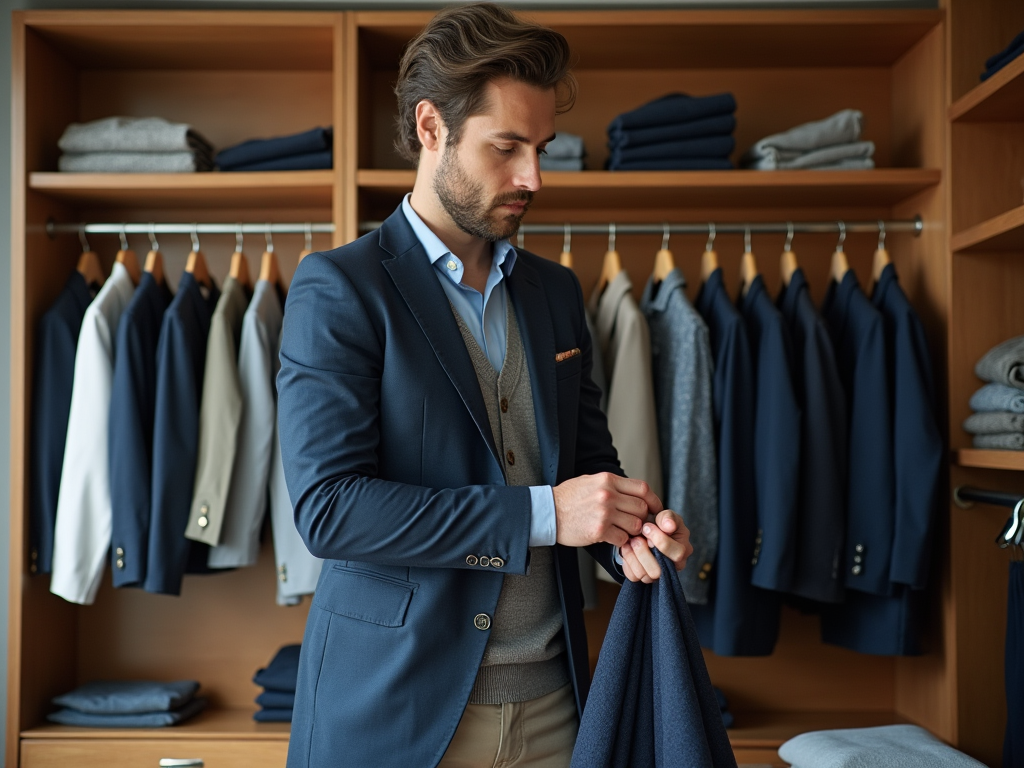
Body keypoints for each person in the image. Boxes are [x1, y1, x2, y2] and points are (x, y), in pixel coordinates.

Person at [277, 5, 694, 767]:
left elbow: (582, 468)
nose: (532, 177)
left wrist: (632, 530)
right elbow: (330, 511)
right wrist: (545, 514)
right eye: (506, 148)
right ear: (432, 127)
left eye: (541, 149)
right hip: (398, 712)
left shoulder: (557, 292)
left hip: (557, 710)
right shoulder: (339, 287)